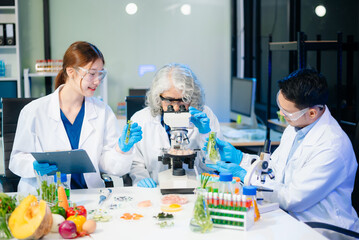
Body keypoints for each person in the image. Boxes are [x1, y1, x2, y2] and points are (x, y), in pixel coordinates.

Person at [208, 68, 359, 232]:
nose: (281, 113)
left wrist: (246, 176)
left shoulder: (331, 147)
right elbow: (274, 170)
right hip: (289, 217)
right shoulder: (297, 127)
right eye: (280, 106)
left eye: (287, 112)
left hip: (322, 229)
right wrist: (240, 158)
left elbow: (293, 198)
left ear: (312, 113)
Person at [9, 41, 142, 194]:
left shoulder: (102, 112)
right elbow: (16, 159)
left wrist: (121, 149)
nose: (97, 80)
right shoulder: (34, 111)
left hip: (89, 196)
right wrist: (33, 165)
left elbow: (107, 165)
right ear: (71, 71)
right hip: (45, 197)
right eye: (92, 74)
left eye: (100, 74)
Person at [129, 63, 221, 188]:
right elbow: (135, 163)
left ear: (192, 97)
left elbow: (216, 162)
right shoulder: (141, 119)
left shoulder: (206, 116)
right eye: (169, 100)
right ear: (158, 97)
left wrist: (206, 134)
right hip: (155, 190)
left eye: (183, 100)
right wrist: (141, 179)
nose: (176, 107)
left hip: (197, 190)